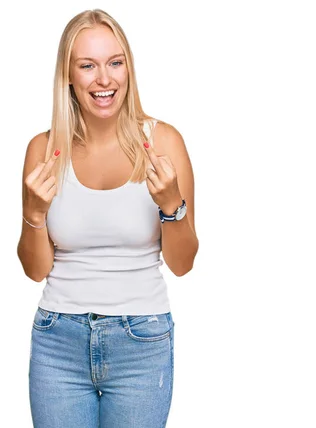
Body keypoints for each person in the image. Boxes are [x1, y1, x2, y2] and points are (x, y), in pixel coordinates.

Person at [17, 9, 199, 427]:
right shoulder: (43, 150)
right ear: (69, 75)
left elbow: (183, 264)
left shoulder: (164, 141)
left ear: (128, 69)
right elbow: (34, 270)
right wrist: (33, 214)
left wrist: (171, 205)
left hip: (142, 339)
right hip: (57, 340)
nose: (104, 79)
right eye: (88, 65)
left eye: (115, 63)